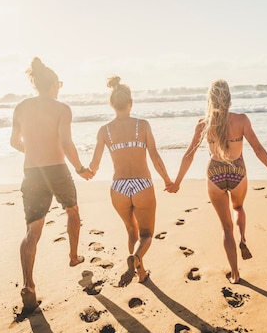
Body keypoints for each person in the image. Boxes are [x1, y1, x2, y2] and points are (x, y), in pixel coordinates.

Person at [169, 79, 267, 284]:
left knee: (225, 228)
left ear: (210, 100)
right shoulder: (241, 120)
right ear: (229, 99)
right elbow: (259, 150)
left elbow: (189, 155)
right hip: (237, 171)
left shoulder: (203, 124)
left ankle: (235, 273)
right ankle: (242, 238)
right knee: (239, 207)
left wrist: (177, 182)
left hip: (214, 173)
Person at [11, 57, 93, 314]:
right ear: (54, 85)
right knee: (73, 211)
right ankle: (73, 256)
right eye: (59, 84)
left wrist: (32, 150)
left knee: (32, 231)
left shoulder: (21, 107)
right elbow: (66, 144)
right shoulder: (61, 109)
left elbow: (14, 141)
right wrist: (81, 168)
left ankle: (28, 283)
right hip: (57, 170)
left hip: (32, 173)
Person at [88, 76, 175, 286]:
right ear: (131, 103)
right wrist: (167, 180)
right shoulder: (142, 125)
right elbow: (154, 157)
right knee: (146, 235)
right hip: (142, 185)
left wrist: (85, 172)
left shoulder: (104, 131)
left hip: (118, 187)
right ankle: (136, 259)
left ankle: (141, 272)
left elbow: (94, 165)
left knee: (131, 231)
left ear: (111, 104)